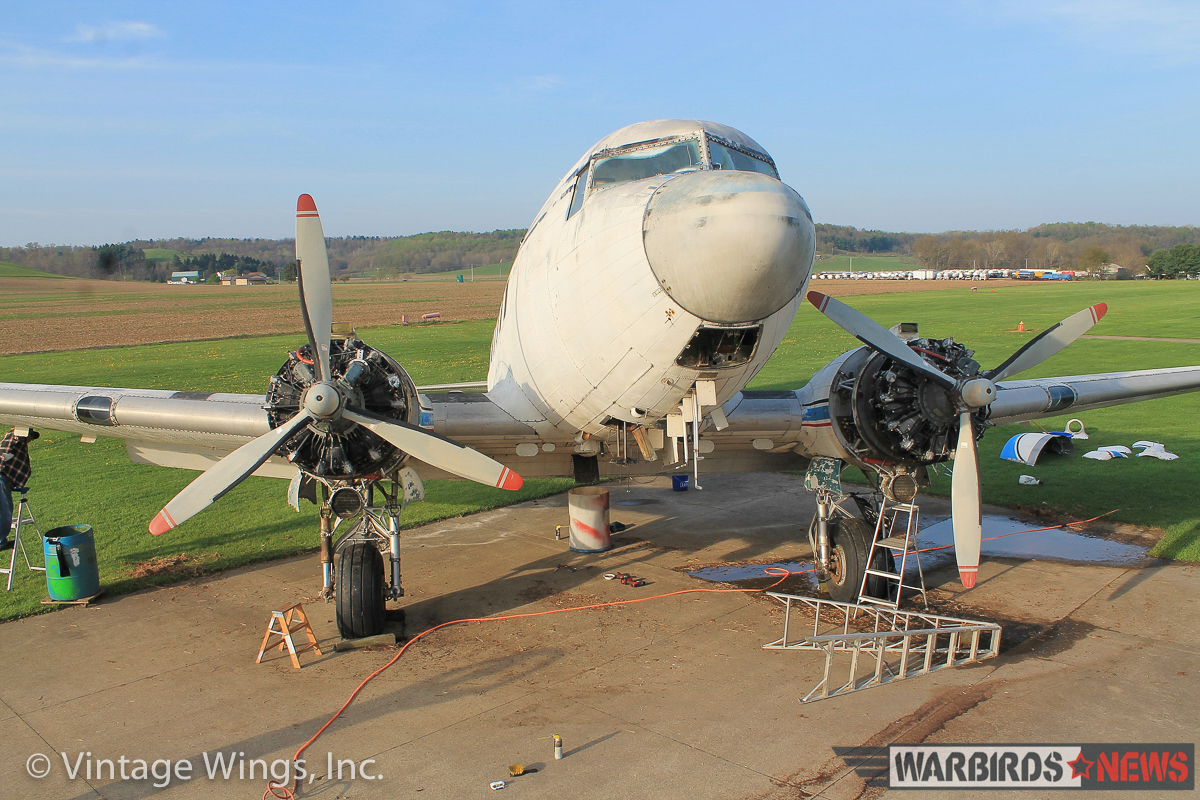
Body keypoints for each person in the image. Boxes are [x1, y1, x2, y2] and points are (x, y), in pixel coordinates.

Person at [0, 428, 37, 552]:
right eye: (31, 437)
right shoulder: (16, 438)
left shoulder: (12, 441)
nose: (31, 440)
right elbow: (16, 437)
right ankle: (1, 542)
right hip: (1, 477)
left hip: (3, 477)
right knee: (4, 509)